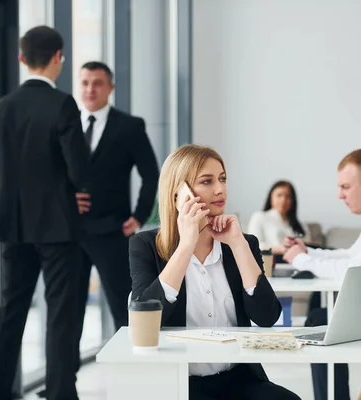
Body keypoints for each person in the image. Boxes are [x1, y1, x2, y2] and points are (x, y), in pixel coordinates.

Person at [129, 144, 301, 400]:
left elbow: (267, 316)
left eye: (222, 179)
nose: (220, 189)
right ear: (179, 195)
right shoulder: (145, 245)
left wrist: (238, 244)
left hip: (239, 380)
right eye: (206, 181)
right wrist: (185, 246)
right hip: (179, 384)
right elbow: (144, 320)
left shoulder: (244, 243)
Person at [0, 26, 89, 400]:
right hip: (59, 226)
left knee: (10, 312)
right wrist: (72, 190)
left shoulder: (1, 107)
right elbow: (79, 170)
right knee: (60, 313)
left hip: (13, 225)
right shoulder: (63, 105)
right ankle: (60, 393)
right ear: (59, 57)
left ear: (21, 59)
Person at [283, 149, 361, 400]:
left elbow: (354, 270)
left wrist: (302, 259)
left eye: (345, 186)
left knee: (319, 322)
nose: (340, 195)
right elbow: (351, 254)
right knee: (319, 317)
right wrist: (310, 252)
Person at [74, 62, 159, 363]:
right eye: (84, 82)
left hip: (112, 231)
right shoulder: (67, 124)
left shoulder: (129, 126)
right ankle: (63, 384)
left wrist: (139, 216)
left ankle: (134, 372)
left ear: (110, 88)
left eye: (97, 83)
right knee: (68, 312)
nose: (90, 89)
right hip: (70, 231)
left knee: (123, 306)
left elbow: (151, 174)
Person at [247, 180, 315, 254]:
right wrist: (279, 249)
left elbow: (308, 248)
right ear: (271, 197)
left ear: (293, 200)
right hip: (272, 261)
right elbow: (253, 246)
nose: (283, 200)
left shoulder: (301, 225)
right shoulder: (259, 217)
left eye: (288, 196)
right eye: (279, 195)